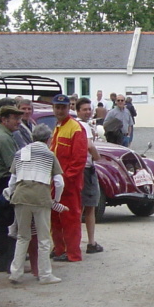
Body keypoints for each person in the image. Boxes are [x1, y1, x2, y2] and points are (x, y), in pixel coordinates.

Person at [6, 124, 64, 285]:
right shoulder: (49, 154)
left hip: (21, 196)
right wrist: (56, 200)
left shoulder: (20, 153)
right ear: (48, 139)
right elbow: (59, 182)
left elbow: (12, 180)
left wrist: (11, 194)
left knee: (23, 237)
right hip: (41, 198)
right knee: (44, 239)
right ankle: (45, 274)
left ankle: (15, 273)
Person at [49, 94, 88, 263]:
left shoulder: (76, 128)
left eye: (63, 107)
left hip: (69, 184)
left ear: (68, 108)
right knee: (55, 218)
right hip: (56, 183)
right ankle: (59, 249)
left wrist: (65, 180)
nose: (59, 110)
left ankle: (72, 253)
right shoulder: (57, 127)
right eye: (57, 107)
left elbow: (79, 159)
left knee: (70, 218)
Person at [0, 104, 25, 274]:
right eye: (15, 118)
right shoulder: (3, 138)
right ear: (4, 119)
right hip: (5, 182)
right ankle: (7, 261)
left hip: (3, 181)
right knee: (9, 225)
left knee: (5, 223)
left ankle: (6, 261)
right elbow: (14, 165)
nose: (19, 121)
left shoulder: (6, 135)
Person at [76, 97, 103, 254]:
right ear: (78, 110)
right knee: (89, 207)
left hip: (77, 169)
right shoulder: (83, 126)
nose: (87, 112)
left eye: (89, 109)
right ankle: (90, 242)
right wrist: (97, 156)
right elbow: (89, 145)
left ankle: (74, 241)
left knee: (79, 207)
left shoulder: (71, 125)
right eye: (84, 109)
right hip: (86, 168)